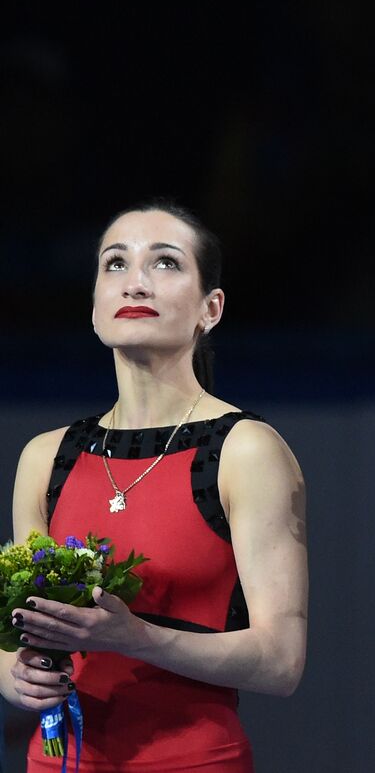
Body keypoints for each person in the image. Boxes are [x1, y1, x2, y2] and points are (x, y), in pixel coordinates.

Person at [2, 201, 308, 771]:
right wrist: (17, 677)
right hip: (57, 760)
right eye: (115, 263)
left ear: (211, 309)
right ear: (95, 307)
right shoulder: (45, 456)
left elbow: (282, 663)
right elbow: (17, 632)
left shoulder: (245, 449)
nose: (135, 281)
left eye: (165, 263)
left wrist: (136, 636)